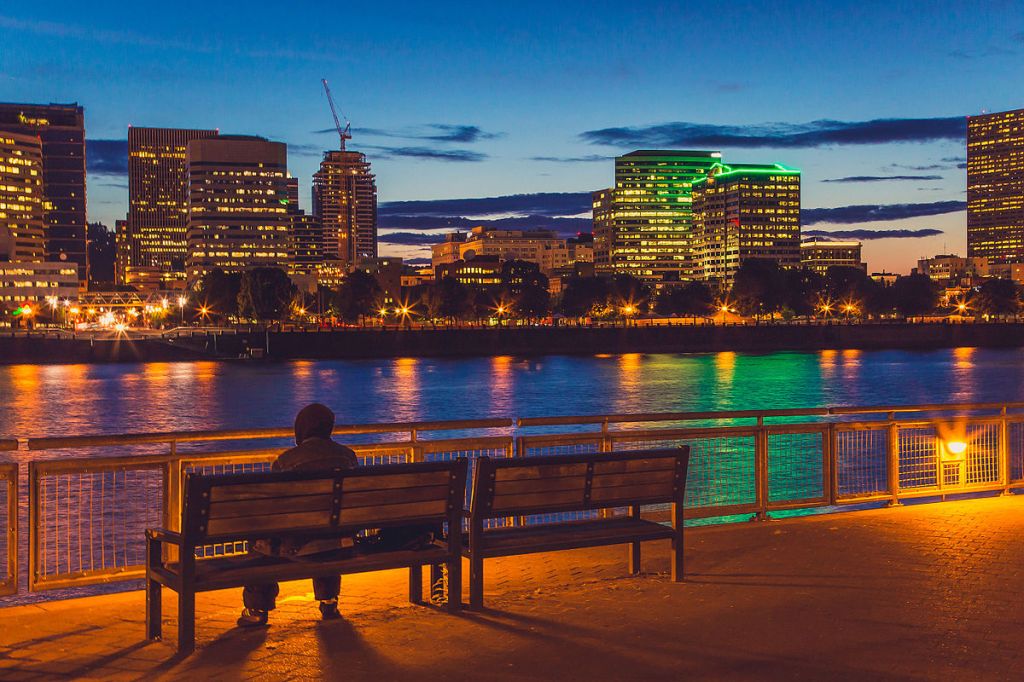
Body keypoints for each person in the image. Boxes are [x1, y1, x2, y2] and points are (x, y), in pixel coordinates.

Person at [237, 403, 359, 627]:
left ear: (301, 428)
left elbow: (276, 510)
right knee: (328, 531)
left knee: (263, 540)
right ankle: (329, 600)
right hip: (340, 542)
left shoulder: (286, 461)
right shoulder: (348, 457)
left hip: (299, 545)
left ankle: (257, 607)